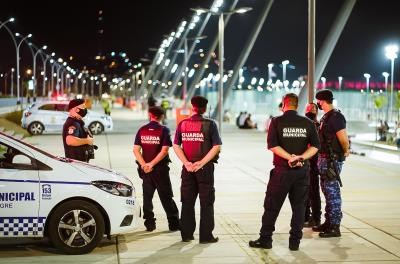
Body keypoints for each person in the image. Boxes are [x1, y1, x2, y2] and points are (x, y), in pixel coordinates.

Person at [249, 93, 320, 251]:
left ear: (284, 104)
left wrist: (290, 158)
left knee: (272, 206)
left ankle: (265, 239)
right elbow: (316, 146)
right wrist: (301, 157)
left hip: (282, 171)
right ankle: (295, 243)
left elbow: (272, 145)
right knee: (299, 207)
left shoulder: (276, 121)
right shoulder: (308, 122)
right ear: (296, 105)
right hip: (302, 171)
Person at [173, 95, 222, 244]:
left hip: (187, 170)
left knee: (187, 202)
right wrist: (201, 163)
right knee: (206, 202)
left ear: (192, 107)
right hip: (205, 170)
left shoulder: (183, 124)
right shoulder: (210, 124)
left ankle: (186, 234)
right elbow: (217, 146)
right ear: (205, 108)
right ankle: (206, 236)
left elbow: (176, 146)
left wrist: (187, 163)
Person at [133, 106, 180, 232]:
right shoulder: (163, 130)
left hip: (146, 171)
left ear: (150, 115)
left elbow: (136, 150)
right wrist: (152, 164)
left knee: (147, 198)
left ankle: (150, 224)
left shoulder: (142, 130)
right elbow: (164, 151)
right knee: (166, 197)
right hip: (160, 170)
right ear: (162, 116)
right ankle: (174, 224)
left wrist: (144, 165)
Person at [312, 89, 350, 238]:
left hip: (332, 160)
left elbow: (343, 138)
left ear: (321, 101)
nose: (318, 104)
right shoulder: (326, 117)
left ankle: (335, 226)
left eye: (318, 101)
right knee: (327, 191)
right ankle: (328, 222)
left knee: (333, 192)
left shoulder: (336, 117)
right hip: (324, 158)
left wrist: (346, 150)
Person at [304, 103, 322, 228]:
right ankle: (309, 216)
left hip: (313, 162)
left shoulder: (316, 125)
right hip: (308, 161)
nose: (312, 109)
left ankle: (315, 218)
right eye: (310, 107)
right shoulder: (312, 124)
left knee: (313, 191)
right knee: (307, 191)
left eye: (314, 108)